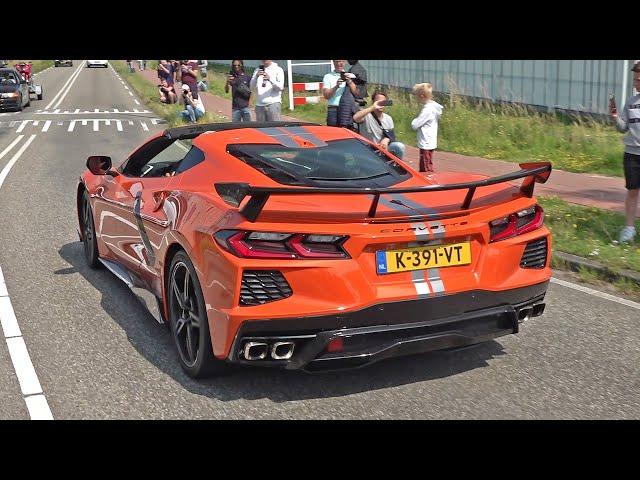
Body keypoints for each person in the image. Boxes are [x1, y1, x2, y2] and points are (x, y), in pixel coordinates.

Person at [611, 62, 640, 243]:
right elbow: (623, 128)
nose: (636, 82)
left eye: (639, 79)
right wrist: (615, 117)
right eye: (635, 79)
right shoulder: (630, 103)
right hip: (632, 155)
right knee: (632, 191)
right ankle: (629, 229)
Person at [353, 90, 405, 159]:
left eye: (383, 102)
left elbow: (391, 136)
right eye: (378, 102)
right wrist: (373, 107)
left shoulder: (388, 118)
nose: (381, 104)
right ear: (373, 102)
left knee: (399, 146)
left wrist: (386, 140)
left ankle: (397, 167)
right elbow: (355, 118)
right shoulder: (366, 116)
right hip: (368, 149)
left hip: (382, 149)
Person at [411, 82, 444, 172]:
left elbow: (415, 125)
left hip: (425, 142)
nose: (416, 98)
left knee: (425, 167)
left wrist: (414, 120)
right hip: (431, 140)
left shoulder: (427, 110)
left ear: (421, 96)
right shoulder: (433, 107)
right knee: (428, 162)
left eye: (417, 95)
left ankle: (427, 182)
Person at [322, 59, 359, 127]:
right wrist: (336, 86)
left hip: (347, 109)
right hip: (333, 109)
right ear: (333, 62)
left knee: (347, 132)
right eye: (338, 61)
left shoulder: (350, 75)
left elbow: (357, 93)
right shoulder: (328, 76)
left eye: (342, 61)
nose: (340, 63)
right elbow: (326, 96)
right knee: (333, 133)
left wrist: (350, 82)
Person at [338, 59, 368, 131]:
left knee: (354, 127)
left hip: (354, 103)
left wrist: (349, 81)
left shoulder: (359, 70)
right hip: (351, 103)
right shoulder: (354, 68)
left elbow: (358, 92)